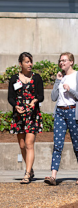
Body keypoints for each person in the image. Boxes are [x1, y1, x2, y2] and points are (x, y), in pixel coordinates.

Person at [44, 52, 78, 186]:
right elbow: (53, 97)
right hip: (59, 112)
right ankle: (53, 176)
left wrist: (71, 91)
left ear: (71, 62)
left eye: (64, 60)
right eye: (60, 61)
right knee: (57, 145)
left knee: (77, 145)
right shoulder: (60, 77)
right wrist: (57, 81)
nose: (62, 63)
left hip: (73, 112)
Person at [8, 52, 44, 184]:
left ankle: (27, 173)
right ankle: (31, 169)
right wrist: (16, 106)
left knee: (29, 144)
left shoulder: (37, 78)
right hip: (19, 115)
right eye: (27, 62)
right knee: (22, 145)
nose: (30, 64)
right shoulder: (14, 78)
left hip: (32, 115)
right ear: (20, 64)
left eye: (31, 62)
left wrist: (34, 101)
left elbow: (41, 96)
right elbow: (10, 97)